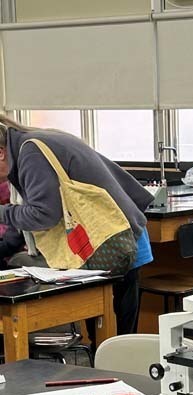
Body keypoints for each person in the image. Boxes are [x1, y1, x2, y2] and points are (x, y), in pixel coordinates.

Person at [0, 114, 154, 335]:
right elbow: (34, 206)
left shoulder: (31, 152)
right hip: (117, 236)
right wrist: (6, 246)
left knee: (114, 337)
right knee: (114, 333)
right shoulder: (30, 143)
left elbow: (44, 215)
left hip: (113, 243)